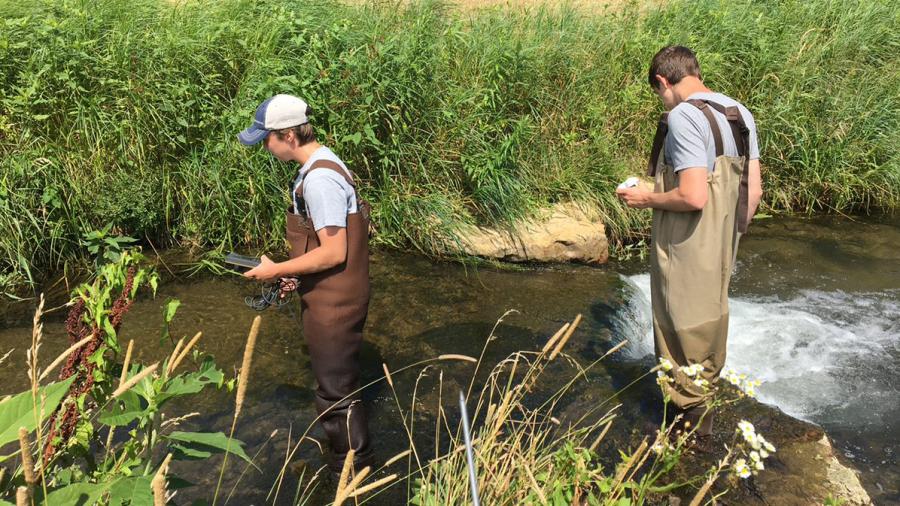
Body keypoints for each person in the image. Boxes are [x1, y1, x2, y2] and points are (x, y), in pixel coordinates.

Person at [616, 46, 763, 438]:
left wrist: (644, 198)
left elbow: (694, 196)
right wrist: (727, 236)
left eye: (658, 92)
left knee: (678, 329)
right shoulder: (739, 112)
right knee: (709, 324)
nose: (662, 100)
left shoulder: (682, 116)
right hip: (722, 242)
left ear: (663, 81)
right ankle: (703, 419)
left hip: (685, 242)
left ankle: (690, 435)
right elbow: (753, 192)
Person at [238, 94, 373, 470]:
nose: (265, 147)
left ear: (289, 136)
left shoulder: (320, 180)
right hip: (334, 292)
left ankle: (354, 472)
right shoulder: (321, 164)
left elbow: (334, 253)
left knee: (335, 394)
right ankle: (351, 463)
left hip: (336, 302)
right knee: (339, 382)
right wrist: (295, 272)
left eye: (267, 139)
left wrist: (276, 269)